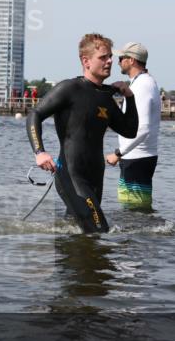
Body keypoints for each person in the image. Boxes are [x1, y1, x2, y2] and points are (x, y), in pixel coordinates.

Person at [27, 34, 138, 233]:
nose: (110, 61)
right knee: (98, 230)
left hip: (96, 175)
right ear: (86, 61)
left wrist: (130, 97)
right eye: (103, 57)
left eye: (110, 56)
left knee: (78, 232)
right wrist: (39, 152)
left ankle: (65, 261)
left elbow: (130, 130)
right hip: (71, 174)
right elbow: (34, 114)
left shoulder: (106, 97)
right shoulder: (69, 89)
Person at [105, 43, 160, 210]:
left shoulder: (142, 86)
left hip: (137, 158)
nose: (117, 61)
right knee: (134, 208)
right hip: (136, 156)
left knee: (134, 210)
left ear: (132, 60)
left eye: (121, 58)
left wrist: (118, 153)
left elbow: (143, 128)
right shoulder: (142, 82)